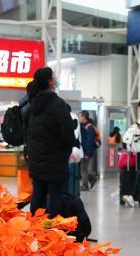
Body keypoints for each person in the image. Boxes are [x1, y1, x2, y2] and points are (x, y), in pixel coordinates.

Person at [26, 67, 77, 218]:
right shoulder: (58, 104)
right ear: (50, 81)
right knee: (55, 195)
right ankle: (52, 231)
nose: (56, 79)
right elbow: (67, 132)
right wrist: (70, 147)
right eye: (54, 76)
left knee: (38, 193)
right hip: (55, 160)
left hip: (36, 158)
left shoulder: (33, 105)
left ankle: (34, 227)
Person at [79, 111, 100, 190]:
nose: (79, 118)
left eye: (80, 116)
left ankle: (86, 184)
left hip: (86, 151)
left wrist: (88, 153)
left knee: (83, 169)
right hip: (82, 150)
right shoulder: (82, 125)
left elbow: (90, 141)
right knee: (83, 169)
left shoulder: (89, 127)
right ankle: (91, 178)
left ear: (84, 117)